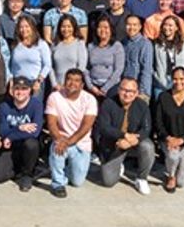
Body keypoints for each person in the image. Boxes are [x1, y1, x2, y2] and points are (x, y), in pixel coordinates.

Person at [93, 77, 155, 194]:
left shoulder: (142, 105)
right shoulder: (108, 103)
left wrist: (134, 140)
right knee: (108, 182)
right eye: (124, 90)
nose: (127, 94)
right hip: (114, 144)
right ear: (118, 90)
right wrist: (123, 135)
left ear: (136, 93)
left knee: (148, 146)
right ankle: (119, 165)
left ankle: (141, 178)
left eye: (131, 91)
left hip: (133, 142)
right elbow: (104, 127)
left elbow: (146, 129)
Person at [44, 68, 99, 197]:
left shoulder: (90, 99)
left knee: (77, 182)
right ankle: (58, 183)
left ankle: (59, 169)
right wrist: (59, 139)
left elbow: (86, 127)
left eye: (76, 81)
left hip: (81, 143)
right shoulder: (54, 97)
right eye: (69, 79)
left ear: (82, 85)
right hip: (61, 139)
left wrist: (68, 141)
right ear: (64, 81)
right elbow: (51, 124)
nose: (72, 83)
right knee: (57, 147)